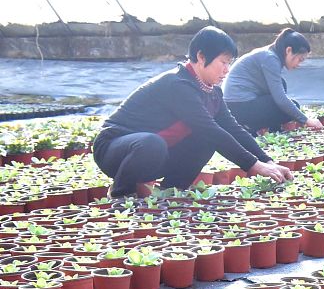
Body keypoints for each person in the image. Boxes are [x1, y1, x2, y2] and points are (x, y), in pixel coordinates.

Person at [93, 26, 292, 198]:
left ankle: (169, 192)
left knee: (204, 140)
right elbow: (210, 129)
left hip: (154, 151)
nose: (226, 70)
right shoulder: (177, 85)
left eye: (229, 63)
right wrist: (254, 166)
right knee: (154, 143)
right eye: (223, 62)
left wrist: (267, 162)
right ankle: (120, 193)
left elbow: (233, 129)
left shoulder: (211, 91)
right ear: (201, 57)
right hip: (114, 148)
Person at [224, 28, 322, 133]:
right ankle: (251, 128)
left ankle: (272, 130)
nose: (299, 65)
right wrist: (306, 120)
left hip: (238, 104)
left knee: (282, 84)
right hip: (239, 105)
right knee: (290, 107)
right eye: (300, 59)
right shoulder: (270, 58)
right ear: (288, 50)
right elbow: (280, 99)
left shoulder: (269, 55)